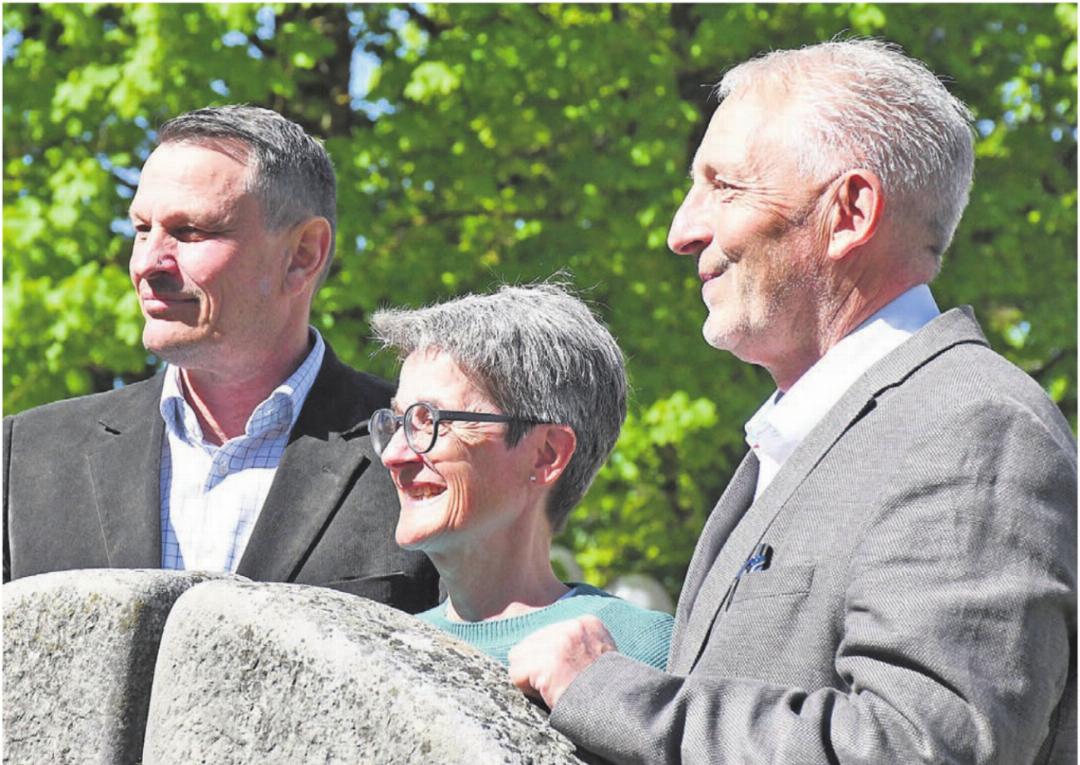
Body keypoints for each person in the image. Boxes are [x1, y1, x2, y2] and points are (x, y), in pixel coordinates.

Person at [508, 40, 1077, 763]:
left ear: (850, 214)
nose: (682, 231)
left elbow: (917, 746)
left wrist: (610, 694)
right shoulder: (818, 434)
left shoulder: (972, 427)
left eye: (724, 187)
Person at [3, 105, 438, 613]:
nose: (147, 263)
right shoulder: (25, 457)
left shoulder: (422, 452)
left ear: (303, 254)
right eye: (141, 229)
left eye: (190, 231)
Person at [366, 284, 673, 667]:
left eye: (430, 421)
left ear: (546, 454)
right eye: (398, 422)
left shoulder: (642, 651)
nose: (393, 455)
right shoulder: (379, 651)